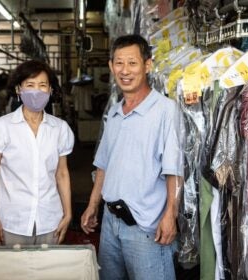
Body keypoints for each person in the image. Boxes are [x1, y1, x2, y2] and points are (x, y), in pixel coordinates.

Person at [81, 34, 183, 280]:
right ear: (110, 66)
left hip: (146, 228)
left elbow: (174, 171)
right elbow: (103, 165)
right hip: (110, 224)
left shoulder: (166, 111)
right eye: (119, 63)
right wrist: (93, 205)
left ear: (147, 65)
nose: (125, 70)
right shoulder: (115, 113)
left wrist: (171, 215)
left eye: (132, 63)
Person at [0, 60, 74, 246]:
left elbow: (62, 173)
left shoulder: (60, 129)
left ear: (50, 90)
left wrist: (68, 212)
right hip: (12, 220)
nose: (36, 91)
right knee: (14, 273)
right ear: (18, 89)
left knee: (48, 272)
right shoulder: (1, 127)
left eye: (42, 85)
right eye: (30, 85)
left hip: (50, 220)